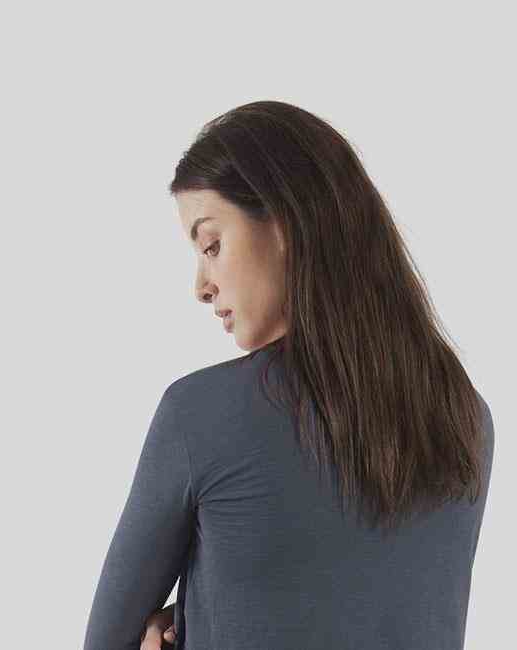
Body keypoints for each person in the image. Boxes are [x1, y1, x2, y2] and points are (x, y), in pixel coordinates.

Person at [82, 100, 495, 650]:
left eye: (212, 245)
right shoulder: (465, 417)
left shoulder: (201, 415)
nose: (201, 285)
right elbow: (366, 598)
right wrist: (199, 612)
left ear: (284, 224)